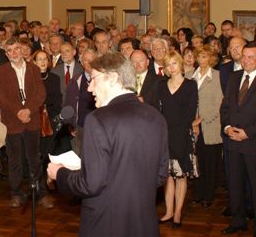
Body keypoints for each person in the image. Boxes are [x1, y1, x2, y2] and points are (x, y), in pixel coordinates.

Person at [47, 52, 169, 237]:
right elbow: (160, 175)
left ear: (112, 78)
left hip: (106, 222)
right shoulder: (156, 117)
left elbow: (91, 184)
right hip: (144, 222)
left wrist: (60, 173)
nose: (90, 88)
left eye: (94, 79)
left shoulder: (98, 119)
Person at [220, 42, 256, 236]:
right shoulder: (234, 77)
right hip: (232, 141)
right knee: (235, 185)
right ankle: (238, 221)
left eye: (250, 57)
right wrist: (227, 127)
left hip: (254, 143)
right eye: (244, 56)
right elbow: (225, 106)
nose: (245, 60)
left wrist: (247, 132)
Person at [0, 37, 52, 209]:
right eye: (10, 50)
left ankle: (41, 193)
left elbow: (40, 94)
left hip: (31, 119)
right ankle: (16, 193)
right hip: (13, 121)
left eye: (17, 49)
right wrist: (18, 110)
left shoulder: (33, 69)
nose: (14, 53)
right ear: (6, 54)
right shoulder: (1, 71)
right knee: (15, 159)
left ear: (22, 50)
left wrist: (28, 110)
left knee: (35, 158)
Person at [157, 51, 198, 228]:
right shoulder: (161, 85)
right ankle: (169, 211)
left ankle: (178, 212)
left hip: (182, 135)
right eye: (168, 64)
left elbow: (190, 113)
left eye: (174, 63)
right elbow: (158, 111)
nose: (171, 67)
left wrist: (178, 133)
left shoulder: (190, 85)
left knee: (181, 176)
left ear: (180, 64)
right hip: (164, 135)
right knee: (167, 175)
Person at [190, 45, 223, 208]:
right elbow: (188, 102)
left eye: (204, 56)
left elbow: (219, 102)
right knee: (197, 161)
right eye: (199, 56)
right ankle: (198, 193)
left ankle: (208, 195)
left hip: (210, 125)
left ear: (211, 59)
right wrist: (192, 121)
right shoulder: (190, 76)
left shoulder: (217, 76)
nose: (201, 59)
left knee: (210, 162)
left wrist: (200, 120)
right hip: (193, 125)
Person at [32, 50, 62, 168]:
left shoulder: (55, 78)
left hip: (51, 117)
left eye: (45, 59)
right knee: (35, 149)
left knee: (49, 149)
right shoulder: (29, 78)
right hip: (34, 117)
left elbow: (57, 99)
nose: (43, 62)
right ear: (34, 62)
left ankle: (47, 172)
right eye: (39, 59)